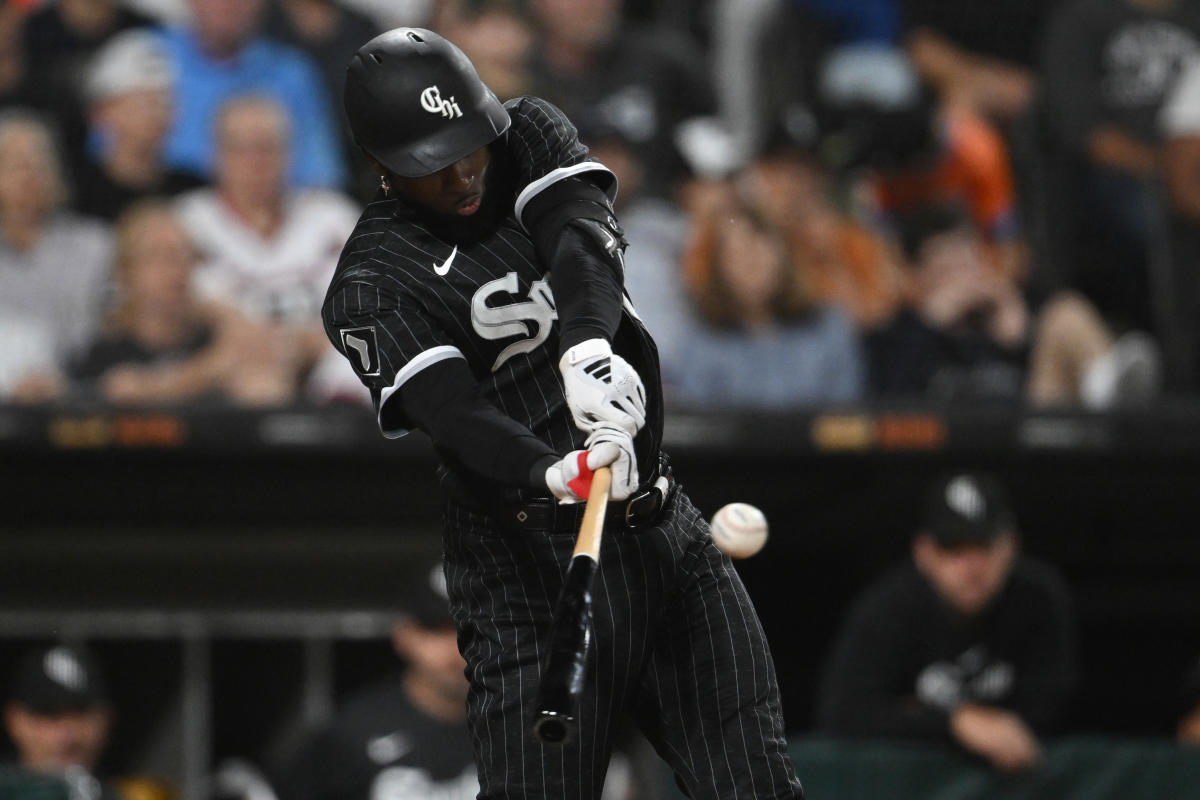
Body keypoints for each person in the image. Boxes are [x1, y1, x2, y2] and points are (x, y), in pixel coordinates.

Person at [321, 28, 805, 799]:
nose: (465, 174)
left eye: (469, 147)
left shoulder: (529, 131)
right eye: (433, 167)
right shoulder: (370, 284)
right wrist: (548, 469)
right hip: (524, 572)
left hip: (659, 532)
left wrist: (586, 350)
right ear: (382, 167)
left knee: (757, 787)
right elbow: (453, 413)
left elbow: (581, 241)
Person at [815, 472, 1078, 774]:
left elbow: (1060, 708)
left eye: (984, 545)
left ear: (1011, 545)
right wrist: (956, 723)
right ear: (923, 552)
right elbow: (843, 712)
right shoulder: (889, 607)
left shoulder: (1038, 600)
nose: (971, 566)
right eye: (953, 548)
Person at [866, 203, 1162, 408]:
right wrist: (929, 324)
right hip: (943, 453)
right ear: (917, 274)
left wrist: (1018, 339)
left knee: (1065, 312)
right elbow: (891, 403)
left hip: (1027, 446)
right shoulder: (898, 330)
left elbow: (1035, 391)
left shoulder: (997, 318)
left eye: (969, 259)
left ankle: (1110, 393)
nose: (964, 275)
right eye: (948, 264)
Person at [174, 94, 363, 405]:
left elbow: (370, 305)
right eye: (240, 150)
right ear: (215, 156)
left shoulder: (332, 217)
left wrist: (306, 343)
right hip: (225, 377)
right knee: (257, 383)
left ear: (290, 153)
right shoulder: (187, 222)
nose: (255, 163)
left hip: (330, 368)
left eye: (266, 148)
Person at [1040, 0, 1200, 332]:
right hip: (1119, 177)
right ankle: (1169, 356)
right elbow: (1080, 127)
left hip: (1189, 167)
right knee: (1152, 213)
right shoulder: (1084, 15)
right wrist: (1163, 170)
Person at [272, 564, 478, 800]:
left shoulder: (519, 726)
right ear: (403, 635)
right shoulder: (352, 733)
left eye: (467, 629)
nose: (453, 648)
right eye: (436, 631)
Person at [69, 200, 299, 406]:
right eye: (159, 256)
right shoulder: (104, 352)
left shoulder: (211, 335)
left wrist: (224, 317)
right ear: (125, 272)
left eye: (184, 256)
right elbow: (124, 391)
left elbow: (265, 358)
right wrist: (209, 369)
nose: (176, 270)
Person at [673, 197, 865, 408]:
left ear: (785, 257)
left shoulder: (829, 328)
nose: (750, 264)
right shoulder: (702, 338)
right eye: (736, 254)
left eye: (759, 249)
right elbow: (695, 426)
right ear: (718, 269)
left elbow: (846, 421)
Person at [155, 0, 347, 189]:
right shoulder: (154, 55)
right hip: (168, 204)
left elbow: (320, 177)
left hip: (272, 206)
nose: (228, 5)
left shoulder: (292, 72)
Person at [0, 109, 112, 403]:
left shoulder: (95, 246)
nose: (30, 176)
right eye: (16, 165)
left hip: (78, 395)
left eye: (40, 164)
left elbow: (110, 330)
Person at [3, 643, 171, 800]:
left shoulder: (136, 795)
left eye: (80, 716)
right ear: (16, 721)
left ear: (106, 721)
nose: (67, 735)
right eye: (51, 716)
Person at [73, 30, 204, 222]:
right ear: (103, 113)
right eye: (145, 103)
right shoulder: (78, 191)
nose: (158, 113)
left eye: (165, 102)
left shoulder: (193, 192)